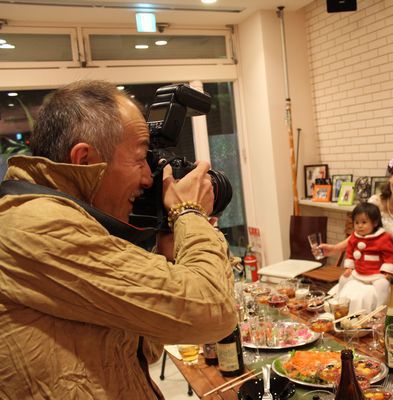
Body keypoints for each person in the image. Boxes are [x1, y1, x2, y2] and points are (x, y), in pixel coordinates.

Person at [0, 80, 238, 399]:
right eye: (140, 160)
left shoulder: (73, 220)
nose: (148, 178)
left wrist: (167, 252)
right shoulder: (38, 225)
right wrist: (189, 210)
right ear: (84, 160)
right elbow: (214, 313)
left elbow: (143, 347)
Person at [320, 154, 393, 280]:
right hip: (369, 266)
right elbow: (359, 233)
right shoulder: (376, 202)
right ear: (391, 176)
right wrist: (334, 249)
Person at [338, 202, 393, 312]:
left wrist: (388, 271)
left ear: (375, 223)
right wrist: (349, 267)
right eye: (356, 222)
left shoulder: (383, 238)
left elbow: (390, 256)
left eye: (364, 222)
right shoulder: (354, 236)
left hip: (376, 274)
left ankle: (380, 309)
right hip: (358, 272)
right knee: (343, 278)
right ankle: (339, 301)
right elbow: (350, 252)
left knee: (383, 285)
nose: (359, 226)